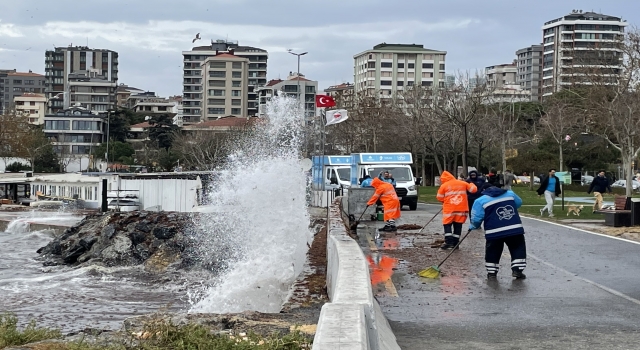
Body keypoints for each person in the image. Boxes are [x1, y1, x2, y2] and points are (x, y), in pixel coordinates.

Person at [470, 183, 527, 279]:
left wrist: (473, 226)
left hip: (493, 231)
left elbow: (476, 218)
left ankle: (492, 273)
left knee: (493, 250)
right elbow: (518, 203)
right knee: (517, 248)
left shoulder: (480, 201)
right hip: (514, 228)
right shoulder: (510, 194)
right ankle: (517, 270)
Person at [437, 170, 477, 249]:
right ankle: (455, 243)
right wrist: (471, 183)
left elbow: (439, 197)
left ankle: (448, 242)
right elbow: (473, 190)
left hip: (449, 209)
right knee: (458, 225)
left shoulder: (444, 185)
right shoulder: (462, 183)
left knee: (447, 224)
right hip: (462, 209)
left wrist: (446, 201)